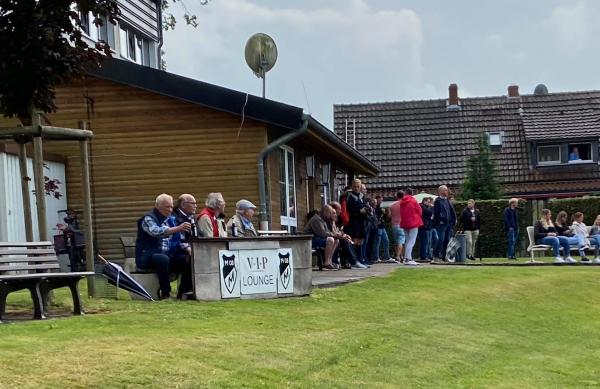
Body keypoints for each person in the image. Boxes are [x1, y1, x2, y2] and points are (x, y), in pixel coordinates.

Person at [135, 193, 193, 300]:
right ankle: (165, 293)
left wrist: (188, 248)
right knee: (163, 259)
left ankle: (183, 292)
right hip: (147, 256)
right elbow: (156, 232)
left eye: (171, 206)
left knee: (186, 258)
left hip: (168, 255)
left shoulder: (172, 220)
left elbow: (179, 239)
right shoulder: (148, 218)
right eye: (167, 207)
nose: (170, 209)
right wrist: (178, 228)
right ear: (158, 206)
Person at [172, 194, 200, 299]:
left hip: (190, 249)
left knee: (200, 256)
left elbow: (199, 234)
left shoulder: (192, 217)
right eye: (193, 203)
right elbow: (177, 238)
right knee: (188, 259)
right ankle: (184, 291)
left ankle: (198, 289)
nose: (196, 206)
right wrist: (188, 248)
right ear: (183, 205)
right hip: (175, 251)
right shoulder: (174, 217)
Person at [330, 201, 367, 269]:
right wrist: (342, 236)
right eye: (339, 209)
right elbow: (331, 232)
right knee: (345, 241)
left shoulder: (338, 219)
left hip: (335, 238)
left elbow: (339, 230)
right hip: (332, 240)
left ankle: (351, 262)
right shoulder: (329, 220)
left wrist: (344, 234)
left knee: (347, 239)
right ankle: (353, 262)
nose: (341, 211)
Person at [304, 205, 340, 270]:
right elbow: (322, 234)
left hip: (316, 238)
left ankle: (329, 261)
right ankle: (326, 263)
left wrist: (336, 235)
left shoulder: (323, 220)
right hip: (309, 240)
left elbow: (327, 232)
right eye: (329, 213)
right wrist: (334, 235)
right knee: (330, 240)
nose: (330, 215)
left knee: (336, 240)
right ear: (324, 212)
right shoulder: (316, 219)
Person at [345, 179, 368, 265]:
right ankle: (354, 261)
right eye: (354, 186)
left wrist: (365, 210)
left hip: (362, 221)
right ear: (351, 186)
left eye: (358, 186)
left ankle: (360, 259)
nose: (356, 188)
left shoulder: (362, 196)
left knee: (361, 240)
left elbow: (365, 205)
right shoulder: (349, 196)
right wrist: (359, 211)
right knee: (354, 240)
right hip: (353, 222)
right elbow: (349, 208)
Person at [399, 188, 423, 266]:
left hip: (405, 222)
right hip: (413, 222)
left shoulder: (401, 202)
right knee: (411, 241)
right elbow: (420, 211)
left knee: (408, 240)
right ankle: (408, 259)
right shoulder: (413, 201)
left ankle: (407, 258)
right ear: (411, 193)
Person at [433, 185, 456, 261]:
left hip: (448, 224)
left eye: (447, 190)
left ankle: (444, 256)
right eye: (445, 190)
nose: (447, 191)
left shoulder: (447, 200)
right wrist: (440, 220)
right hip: (441, 224)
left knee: (447, 241)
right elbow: (436, 213)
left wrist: (453, 220)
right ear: (440, 191)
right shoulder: (437, 201)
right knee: (440, 240)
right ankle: (436, 256)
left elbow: (451, 211)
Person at [372, 195, 394, 263]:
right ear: (377, 199)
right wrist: (382, 212)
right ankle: (376, 257)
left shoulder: (380, 208)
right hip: (378, 227)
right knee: (377, 242)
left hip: (382, 226)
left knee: (386, 241)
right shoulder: (375, 208)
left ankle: (386, 256)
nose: (381, 201)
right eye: (380, 200)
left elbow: (385, 218)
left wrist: (387, 213)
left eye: (382, 200)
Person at [389, 190, 406, 262]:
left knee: (397, 242)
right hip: (402, 225)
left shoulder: (392, 205)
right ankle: (398, 256)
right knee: (402, 241)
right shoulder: (404, 204)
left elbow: (389, 216)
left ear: (397, 196)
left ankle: (401, 256)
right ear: (403, 196)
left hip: (394, 225)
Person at [418, 197, 434, 262]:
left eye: (430, 202)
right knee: (425, 242)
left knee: (428, 242)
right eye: (428, 201)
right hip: (424, 227)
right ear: (424, 201)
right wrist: (431, 207)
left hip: (428, 226)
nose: (429, 203)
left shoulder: (426, 207)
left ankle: (428, 255)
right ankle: (424, 256)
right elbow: (428, 212)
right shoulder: (422, 206)